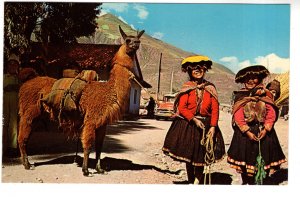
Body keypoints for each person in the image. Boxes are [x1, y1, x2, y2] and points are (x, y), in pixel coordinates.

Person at [162, 55, 225, 184]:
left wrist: (213, 126)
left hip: (206, 125)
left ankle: (197, 180)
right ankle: (191, 179)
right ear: (190, 71)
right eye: (194, 69)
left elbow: (215, 109)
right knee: (189, 155)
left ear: (205, 70)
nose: (198, 70)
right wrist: (194, 119)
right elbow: (182, 107)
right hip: (188, 125)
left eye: (200, 68)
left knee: (201, 155)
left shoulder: (210, 88)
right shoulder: (187, 87)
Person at [227, 65, 287, 185]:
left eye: (254, 78)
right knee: (245, 162)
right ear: (243, 80)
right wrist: (246, 130)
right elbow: (238, 115)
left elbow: (271, 113)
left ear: (259, 78)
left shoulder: (266, 95)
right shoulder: (240, 96)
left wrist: (266, 128)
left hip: (264, 133)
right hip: (244, 134)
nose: (250, 80)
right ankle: (247, 182)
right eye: (247, 78)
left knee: (263, 160)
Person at [3, 53, 20, 157]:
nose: (12, 67)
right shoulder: (3, 77)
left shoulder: (19, 78)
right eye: (10, 64)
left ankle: (12, 147)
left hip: (14, 103)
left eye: (15, 65)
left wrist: (15, 87)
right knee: (3, 123)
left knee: (13, 125)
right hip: (4, 102)